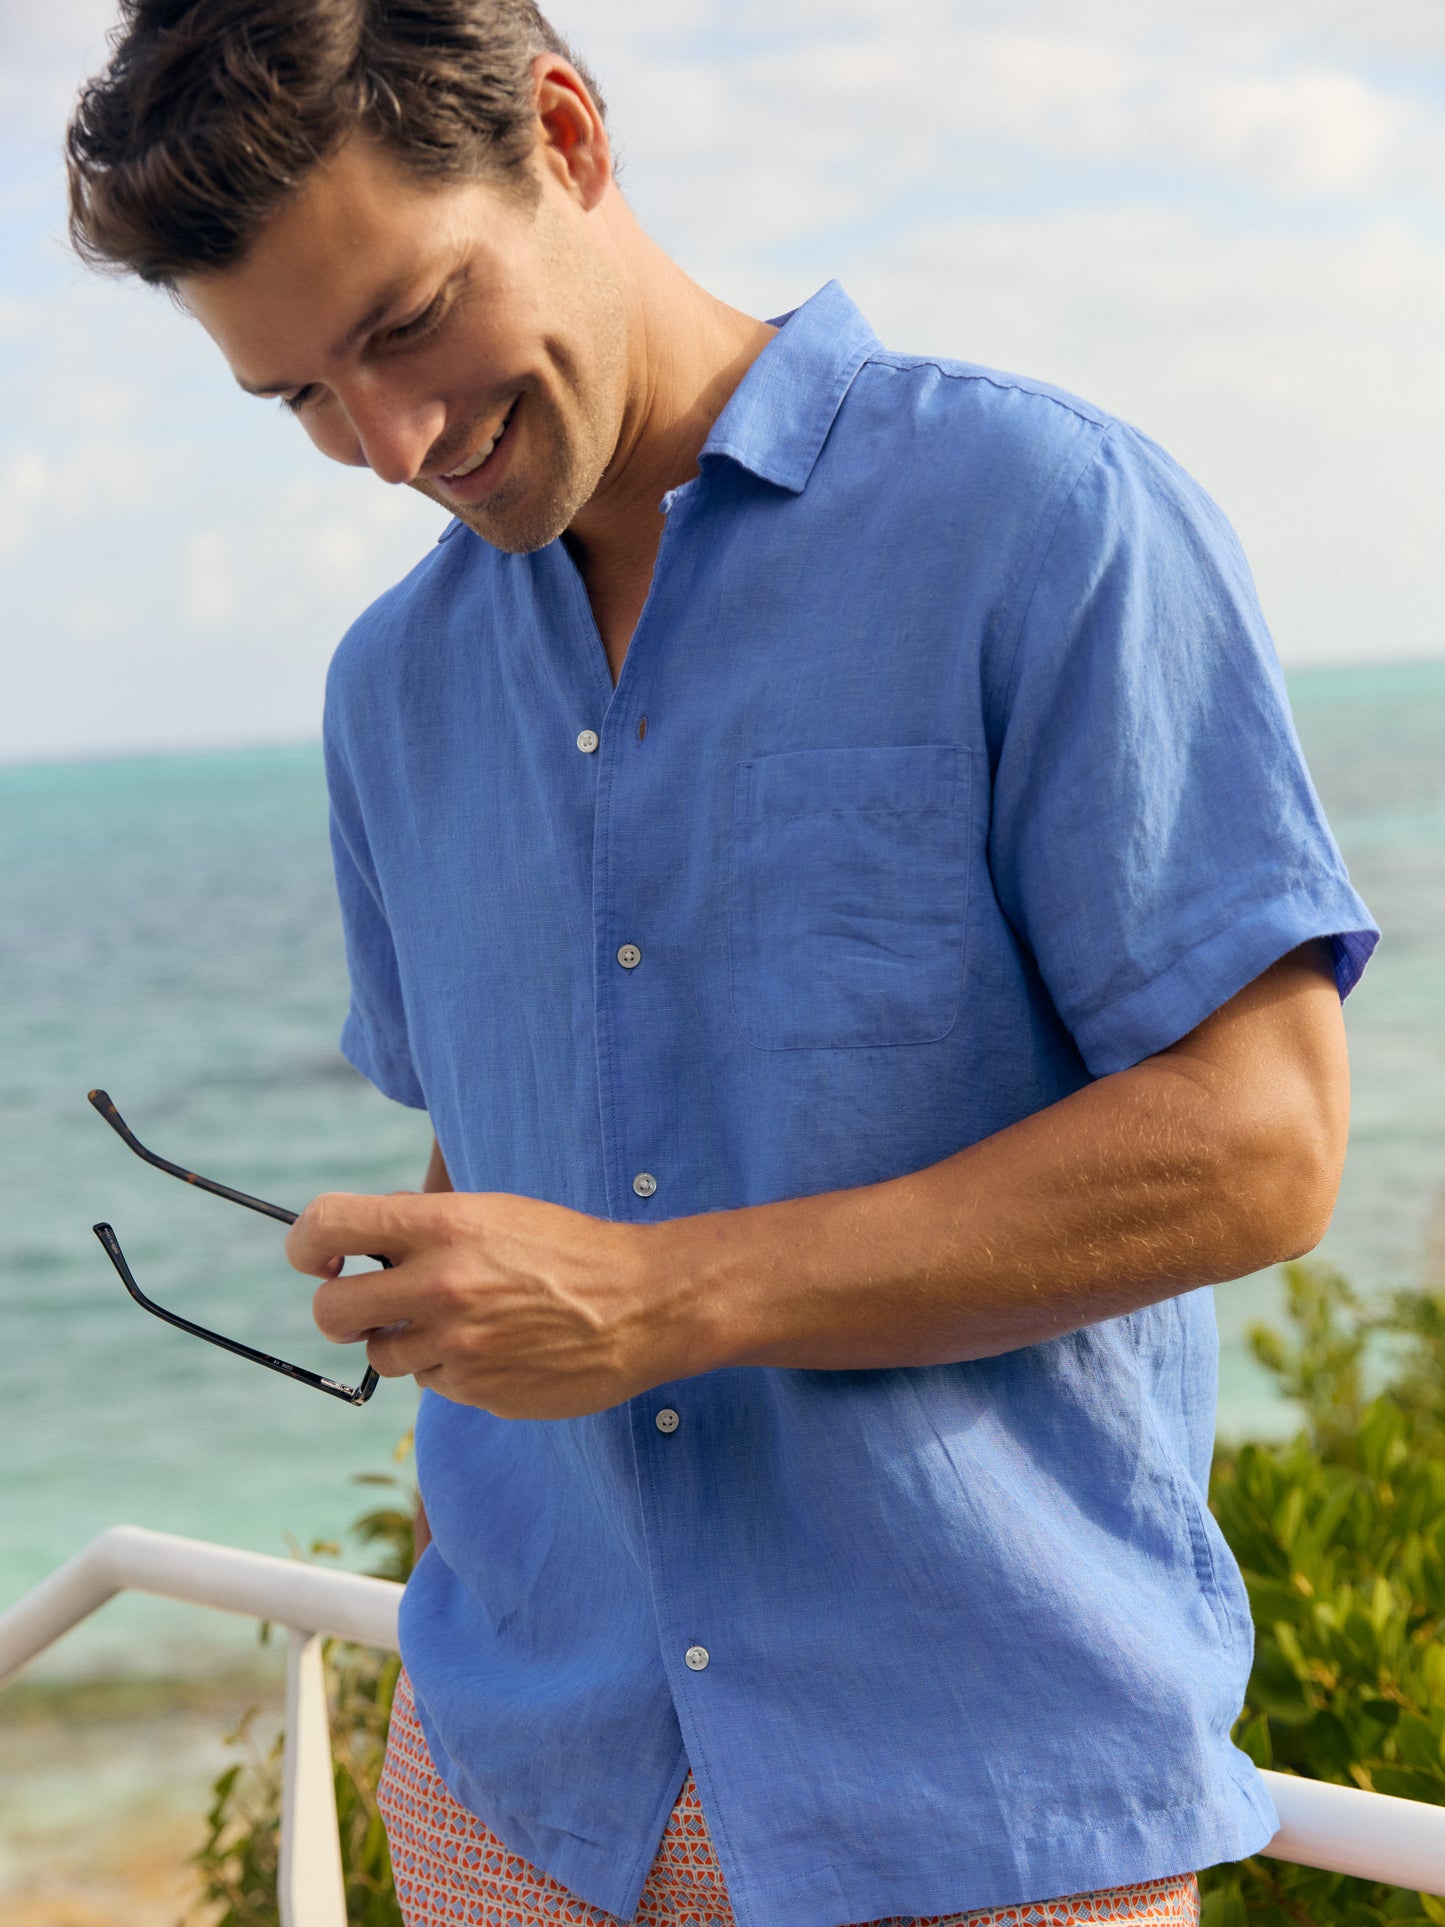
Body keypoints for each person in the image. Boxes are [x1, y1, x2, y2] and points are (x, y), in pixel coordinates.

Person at [67, 6, 1378, 1926]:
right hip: (504, 1779)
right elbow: (489, 1151)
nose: (388, 447)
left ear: (567, 135)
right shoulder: (389, 691)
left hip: (966, 1802)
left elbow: (1265, 1146)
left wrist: (669, 1294)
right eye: (299, 400)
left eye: (406, 322)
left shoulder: (1043, 519)